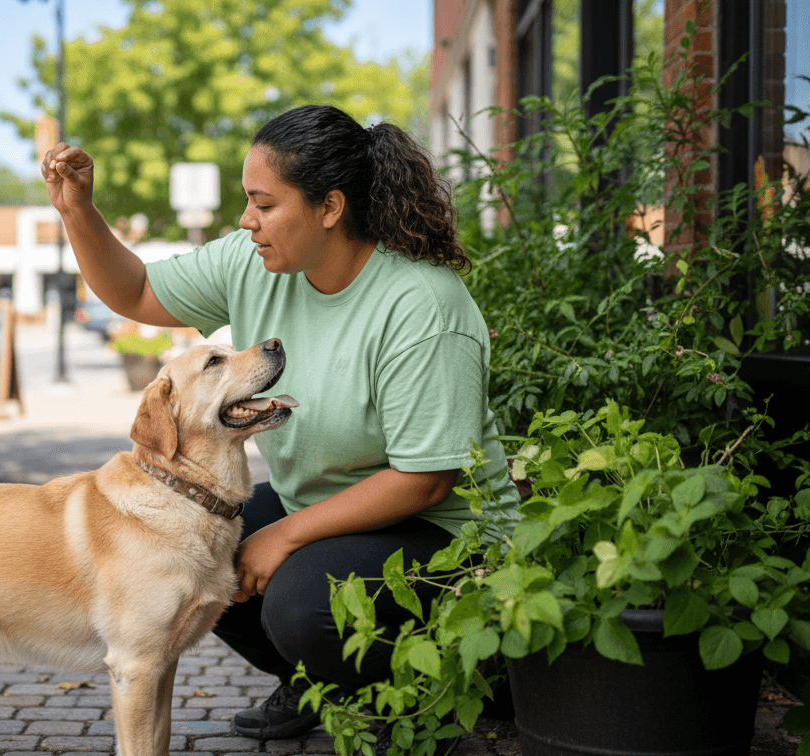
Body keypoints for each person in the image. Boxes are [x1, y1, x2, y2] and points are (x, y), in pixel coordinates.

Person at [42, 104, 522, 741]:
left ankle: (424, 698)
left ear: (329, 207)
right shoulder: (255, 260)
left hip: (448, 539)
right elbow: (135, 292)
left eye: (263, 204)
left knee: (300, 602)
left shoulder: (420, 304)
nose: (247, 220)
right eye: (248, 202)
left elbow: (425, 481)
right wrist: (78, 210)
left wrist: (288, 534)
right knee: (194, 542)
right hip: (332, 509)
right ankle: (319, 685)